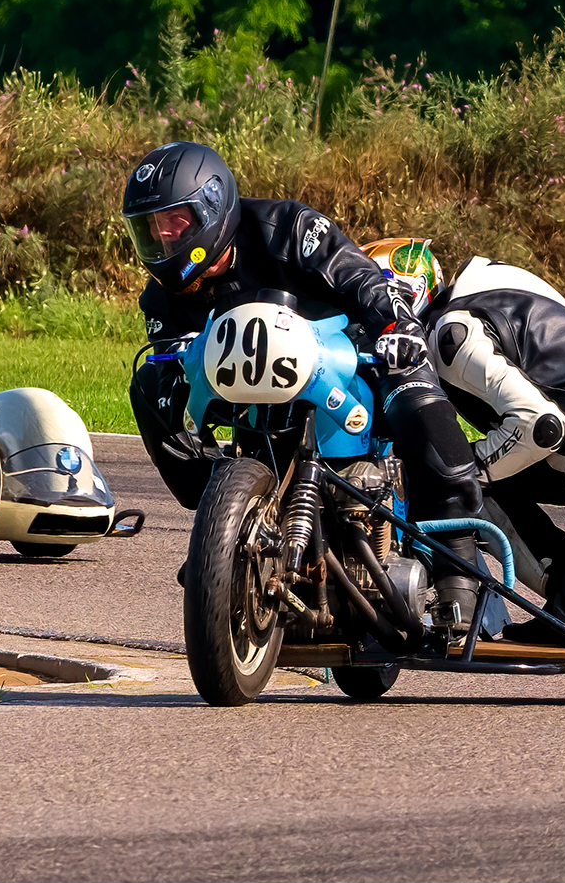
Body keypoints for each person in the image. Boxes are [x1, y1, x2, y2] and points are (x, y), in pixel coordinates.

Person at [122, 144, 488, 626]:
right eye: (151, 226)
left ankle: (455, 568)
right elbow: (171, 353)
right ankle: (224, 524)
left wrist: (395, 328)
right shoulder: (162, 296)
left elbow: (362, 280)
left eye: (175, 220)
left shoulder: (289, 228)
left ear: (211, 207)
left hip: (346, 358)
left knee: (414, 394)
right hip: (256, 394)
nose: (162, 236)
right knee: (147, 382)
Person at [370, 238, 565, 644]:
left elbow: (540, 424)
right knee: (456, 477)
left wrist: (468, 473)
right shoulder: (470, 300)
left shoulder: (452, 334)